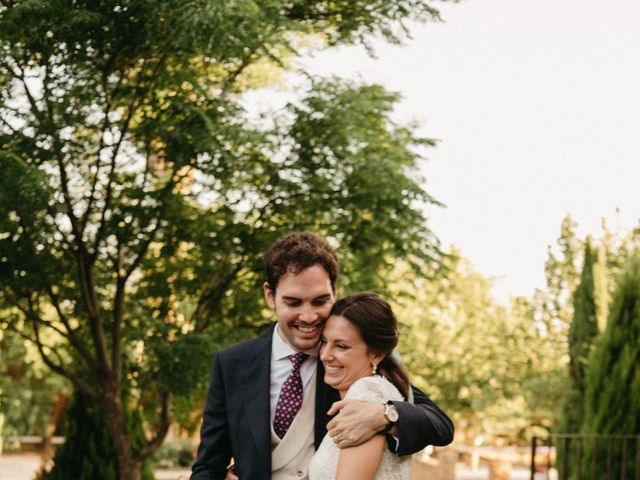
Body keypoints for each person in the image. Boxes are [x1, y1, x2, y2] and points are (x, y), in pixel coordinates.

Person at [191, 232, 453, 480]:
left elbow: (440, 425)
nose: (308, 317)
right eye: (293, 303)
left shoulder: (351, 359)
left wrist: (384, 416)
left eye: (319, 301)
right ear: (270, 296)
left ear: (334, 292)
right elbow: (208, 465)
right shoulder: (232, 364)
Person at [309, 292, 414, 480]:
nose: (325, 355)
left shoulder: (368, 394)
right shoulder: (379, 391)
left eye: (341, 346)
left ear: (376, 354)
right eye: (325, 342)